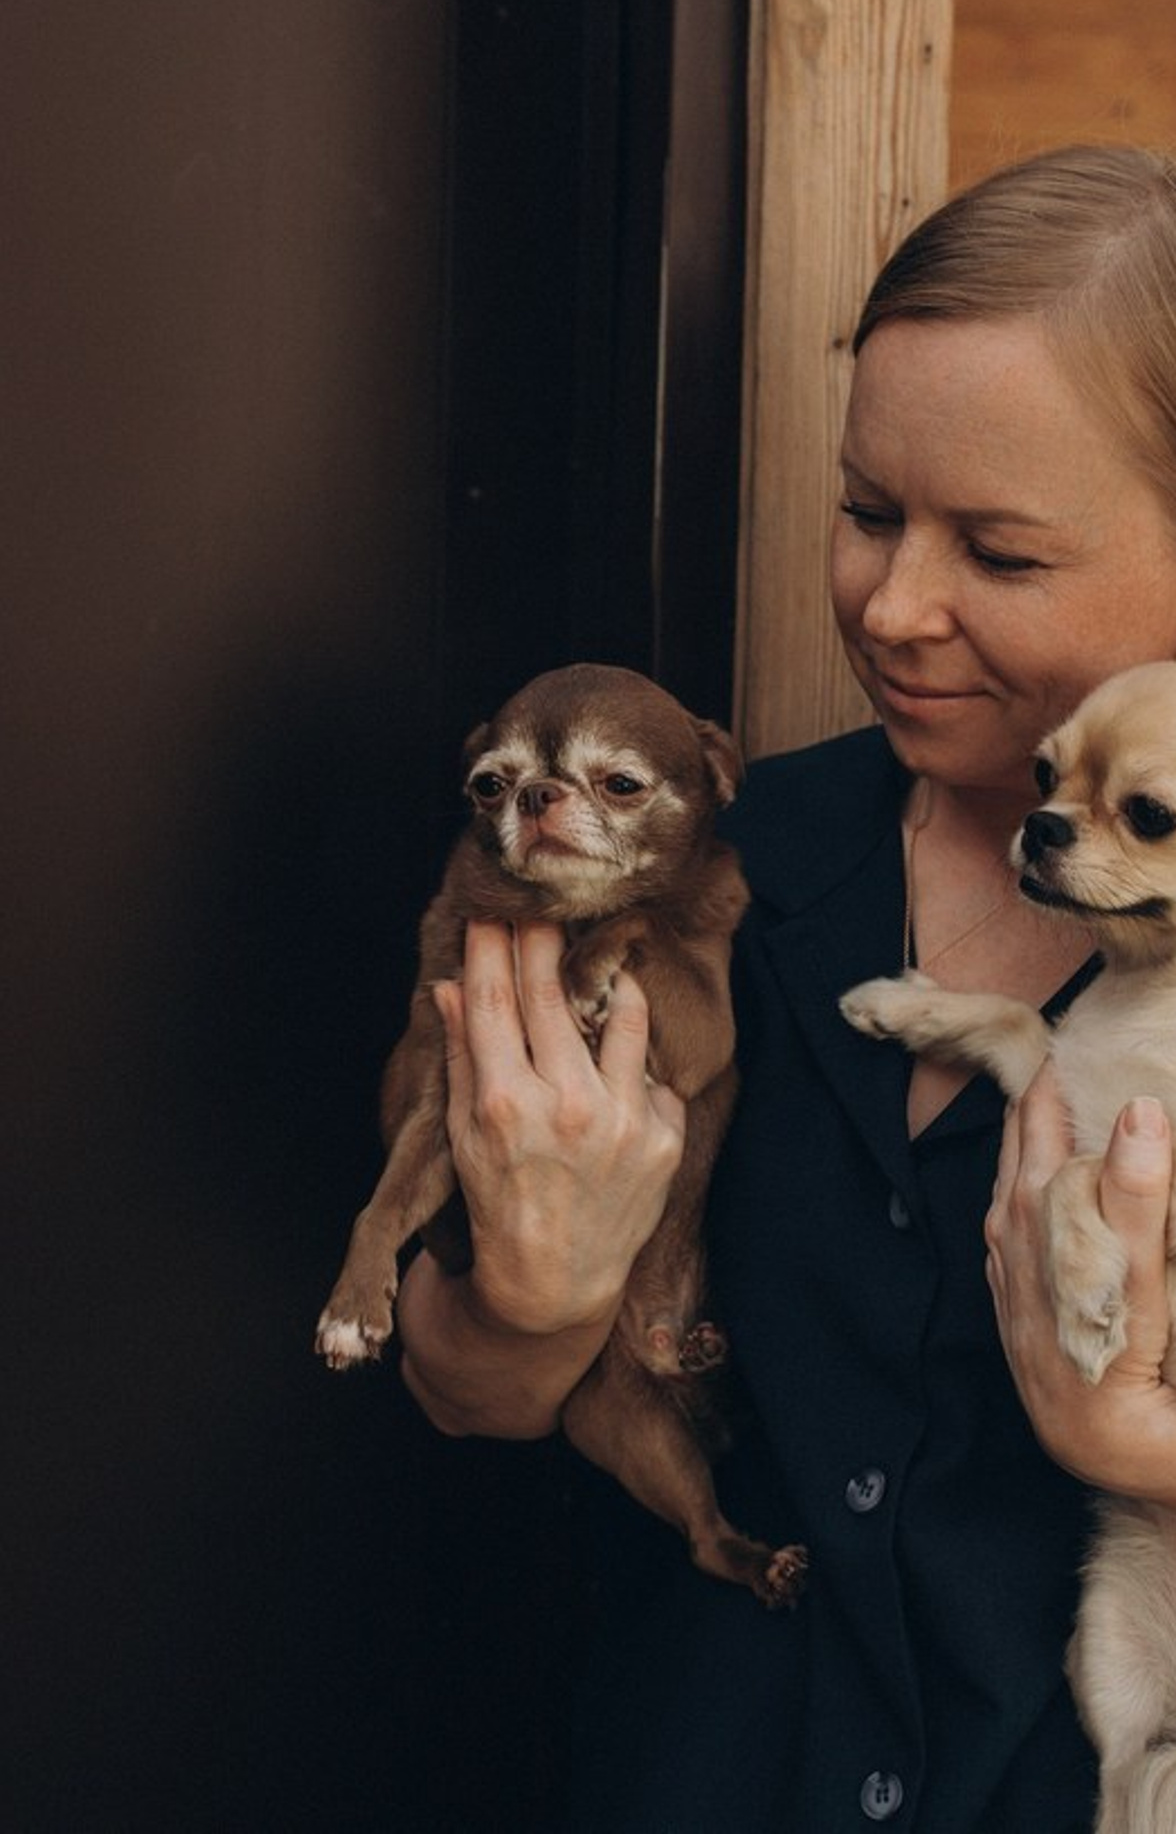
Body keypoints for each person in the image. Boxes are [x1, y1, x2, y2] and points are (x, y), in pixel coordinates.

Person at [396, 144, 1176, 1831]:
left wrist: (1142, 1460)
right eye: (870, 511)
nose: (895, 607)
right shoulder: (694, 870)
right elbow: (463, 1390)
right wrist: (529, 1306)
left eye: (1003, 555)